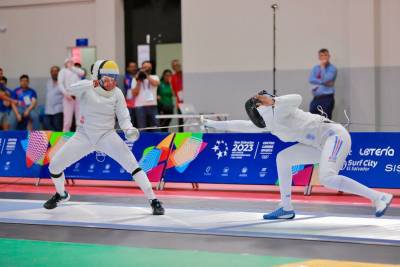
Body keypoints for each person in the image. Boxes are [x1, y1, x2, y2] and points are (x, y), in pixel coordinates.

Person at [203, 92, 393, 219]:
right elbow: (240, 125)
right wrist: (212, 124)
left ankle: (378, 197)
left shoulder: (280, 108)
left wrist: (274, 101)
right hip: (318, 145)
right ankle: (286, 208)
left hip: (334, 135)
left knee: (327, 178)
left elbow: (297, 98)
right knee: (283, 158)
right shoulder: (269, 123)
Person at [43, 59, 165, 215]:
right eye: (106, 77)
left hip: (107, 136)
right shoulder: (87, 88)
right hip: (83, 136)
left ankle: (153, 200)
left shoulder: (118, 93)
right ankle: (61, 194)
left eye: (113, 77)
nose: (110, 82)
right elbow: (71, 89)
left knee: (133, 165)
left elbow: (124, 118)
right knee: (54, 166)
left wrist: (129, 130)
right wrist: (93, 83)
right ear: (97, 76)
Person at [309, 48, 337, 119]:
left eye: (325, 55)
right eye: (321, 56)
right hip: (316, 98)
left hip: (327, 98)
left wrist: (323, 67)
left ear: (329, 56)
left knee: (325, 120)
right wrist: (323, 82)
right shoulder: (315, 68)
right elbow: (311, 79)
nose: (323, 57)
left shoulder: (332, 68)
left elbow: (326, 79)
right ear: (319, 57)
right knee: (312, 119)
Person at [58, 58, 85, 131]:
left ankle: (80, 136)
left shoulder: (77, 70)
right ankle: (65, 137)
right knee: (67, 121)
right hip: (67, 97)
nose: (70, 63)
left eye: (71, 62)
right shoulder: (62, 71)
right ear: (65, 64)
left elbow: (82, 73)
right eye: (68, 62)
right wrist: (66, 94)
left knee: (79, 119)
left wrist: (72, 67)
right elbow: (60, 84)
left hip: (78, 97)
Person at [132, 61, 160, 131]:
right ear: (141, 68)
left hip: (152, 105)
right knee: (142, 128)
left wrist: (146, 75)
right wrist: (138, 81)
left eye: (148, 68)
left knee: (156, 127)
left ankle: (156, 141)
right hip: (140, 106)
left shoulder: (155, 77)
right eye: (144, 67)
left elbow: (155, 84)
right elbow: (134, 94)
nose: (146, 69)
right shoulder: (135, 78)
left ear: (151, 68)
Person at [43, 66, 64, 131]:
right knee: (46, 125)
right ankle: (53, 139)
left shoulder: (63, 82)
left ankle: (58, 140)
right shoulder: (48, 82)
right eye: (52, 71)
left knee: (57, 126)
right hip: (48, 109)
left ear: (59, 72)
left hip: (58, 109)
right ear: (50, 73)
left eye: (56, 71)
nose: (54, 73)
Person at [171, 59, 184, 132]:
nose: (176, 67)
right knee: (181, 122)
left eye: (178, 65)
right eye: (174, 66)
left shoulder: (185, 74)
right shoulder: (173, 77)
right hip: (179, 103)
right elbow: (173, 91)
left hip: (189, 101)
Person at [125, 62, 138, 127]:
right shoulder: (125, 77)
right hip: (128, 104)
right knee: (129, 122)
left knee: (138, 123)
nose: (133, 68)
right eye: (131, 67)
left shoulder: (139, 77)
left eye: (134, 66)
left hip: (138, 104)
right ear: (128, 68)